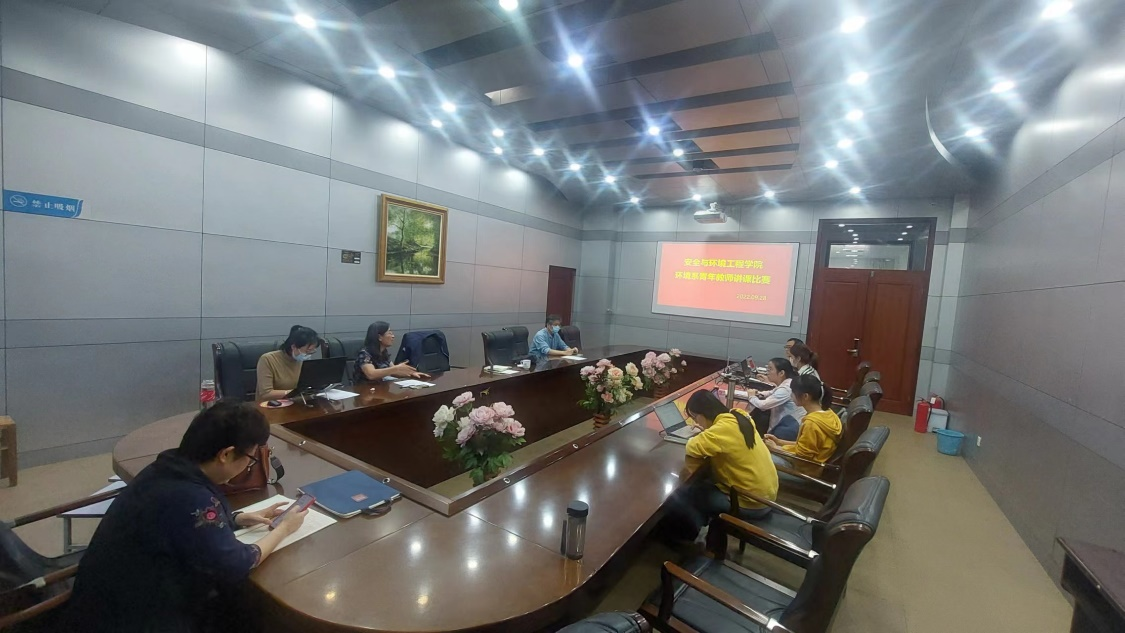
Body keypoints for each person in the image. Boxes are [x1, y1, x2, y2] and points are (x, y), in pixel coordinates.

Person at [61, 402, 308, 633]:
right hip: (133, 617)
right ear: (226, 454)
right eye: (251, 458)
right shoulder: (190, 496)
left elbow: (181, 524)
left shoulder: (168, 467)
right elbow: (235, 564)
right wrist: (283, 529)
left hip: (104, 598)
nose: (249, 466)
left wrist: (237, 518)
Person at [665, 390, 779, 541]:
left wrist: (706, 434)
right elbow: (723, 437)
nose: (696, 422)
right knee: (704, 481)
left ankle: (688, 537)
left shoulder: (722, 429)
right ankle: (704, 528)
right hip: (766, 495)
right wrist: (709, 430)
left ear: (701, 415)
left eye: (694, 418)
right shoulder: (738, 415)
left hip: (749, 503)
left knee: (687, 492)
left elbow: (692, 447)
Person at [766, 374, 842, 468]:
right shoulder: (829, 413)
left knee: (763, 456)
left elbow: (802, 459)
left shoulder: (811, 424)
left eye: (793, 393)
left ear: (805, 396)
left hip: (806, 470)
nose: (791, 396)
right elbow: (804, 447)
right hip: (810, 463)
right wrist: (778, 442)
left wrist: (775, 448)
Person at [256, 324, 320, 401]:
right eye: (308, 350)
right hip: (272, 404)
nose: (309, 355)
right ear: (294, 347)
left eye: (312, 351)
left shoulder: (303, 361)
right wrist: (294, 393)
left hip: (297, 402)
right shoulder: (268, 359)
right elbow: (266, 394)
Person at [353, 321, 431, 383]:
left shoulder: (383, 352)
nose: (393, 336)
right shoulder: (364, 353)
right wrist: (396, 368)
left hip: (380, 389)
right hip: (363, 391)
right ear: (379, 337)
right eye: (390, 333)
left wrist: (411, 373)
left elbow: (393, 372)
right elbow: (371, 374)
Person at [746, 358, 804, 440]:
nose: (767, 372)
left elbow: (763, 405)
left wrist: (751, 397)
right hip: (785, 426)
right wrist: (757, 393)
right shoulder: (787, 382)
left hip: (786, 431)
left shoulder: (786, 388)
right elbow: (771, 392)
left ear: (781, 373)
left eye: (770, 369)